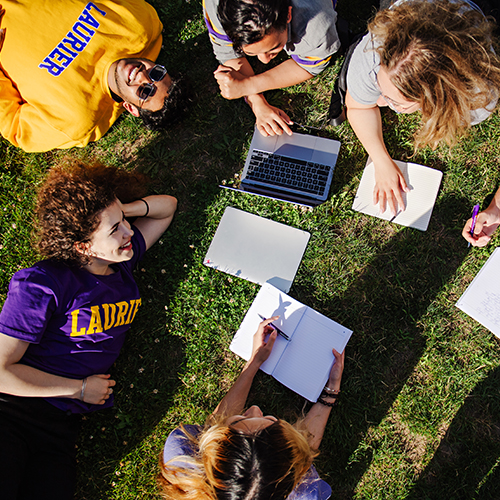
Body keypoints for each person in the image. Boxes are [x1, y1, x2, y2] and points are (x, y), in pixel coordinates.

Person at [0, 160, 177, 499]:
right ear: (82, 246)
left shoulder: (119, 260)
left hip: (60, 428)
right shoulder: (43, 284)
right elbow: (1, 372)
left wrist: (119, 209)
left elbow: (166, 208)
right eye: (115, 229)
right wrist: (79, 388)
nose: (128, 232)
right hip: (12, 411)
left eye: (124, 223)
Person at [158, 317, 345, 500]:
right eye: (272, 421)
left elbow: (215, 426)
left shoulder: (183, 457)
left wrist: (254, 362)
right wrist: (331, 389)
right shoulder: (305, 493)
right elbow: (304, 452)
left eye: (238, 420)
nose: (255, 408)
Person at [345, 0, 500, 216]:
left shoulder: (479, 101)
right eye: (381, 86)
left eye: (395, 102)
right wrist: (381, 162)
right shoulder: (373, 53)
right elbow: (357, 107)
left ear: (438, 100)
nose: (382, 101)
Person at [0, 0, 188, 153]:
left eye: (145, 91)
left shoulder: (75, 119)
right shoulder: (138, 26)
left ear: (130, 108)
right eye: (156, 74)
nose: (144, 77)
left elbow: (13, 124)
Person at [204, 0, 340, 137]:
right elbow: (226, 51)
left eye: (275, 47)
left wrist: (247, 85)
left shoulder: (315, 23)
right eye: (251, 53)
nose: (264, 60)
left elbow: (310, 65)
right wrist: (256, 102)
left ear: (288, 14)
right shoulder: (215, 5)